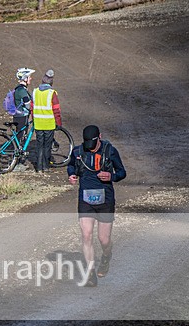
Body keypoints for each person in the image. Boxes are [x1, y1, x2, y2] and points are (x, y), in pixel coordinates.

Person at [68, 125, 127, 287]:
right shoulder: (78, 152)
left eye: (92, 142)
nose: (89, 146)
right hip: (85, 199)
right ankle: (90, 273)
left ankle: (106, 255)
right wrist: (71, 175)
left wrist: (112, 176)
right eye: (87, 142)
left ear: (99, 137)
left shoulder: (110, 151)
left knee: (104, 239)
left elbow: (122, 172)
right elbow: (71, 165)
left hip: (105, 199)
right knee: (86, 235)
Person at [32, 69, 62, 173]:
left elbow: (32, 107)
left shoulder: (35, 92)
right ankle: (46, 166)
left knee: (39, 145)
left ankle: (39, 167)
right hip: (49, 124)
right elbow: (56, 110)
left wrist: (34, 120)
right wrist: (58, 124)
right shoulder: (52, 93)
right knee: (47, 146)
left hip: (38, 124)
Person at [12, 67, 35, 144]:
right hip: (21, 117)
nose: (31, 78)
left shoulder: (20, 89)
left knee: (20, 137)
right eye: (29, 77)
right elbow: (28, 105)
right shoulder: (22, 91)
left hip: (19, 116)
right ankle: (15, 151)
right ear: (25, 78)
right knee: (20, 137)